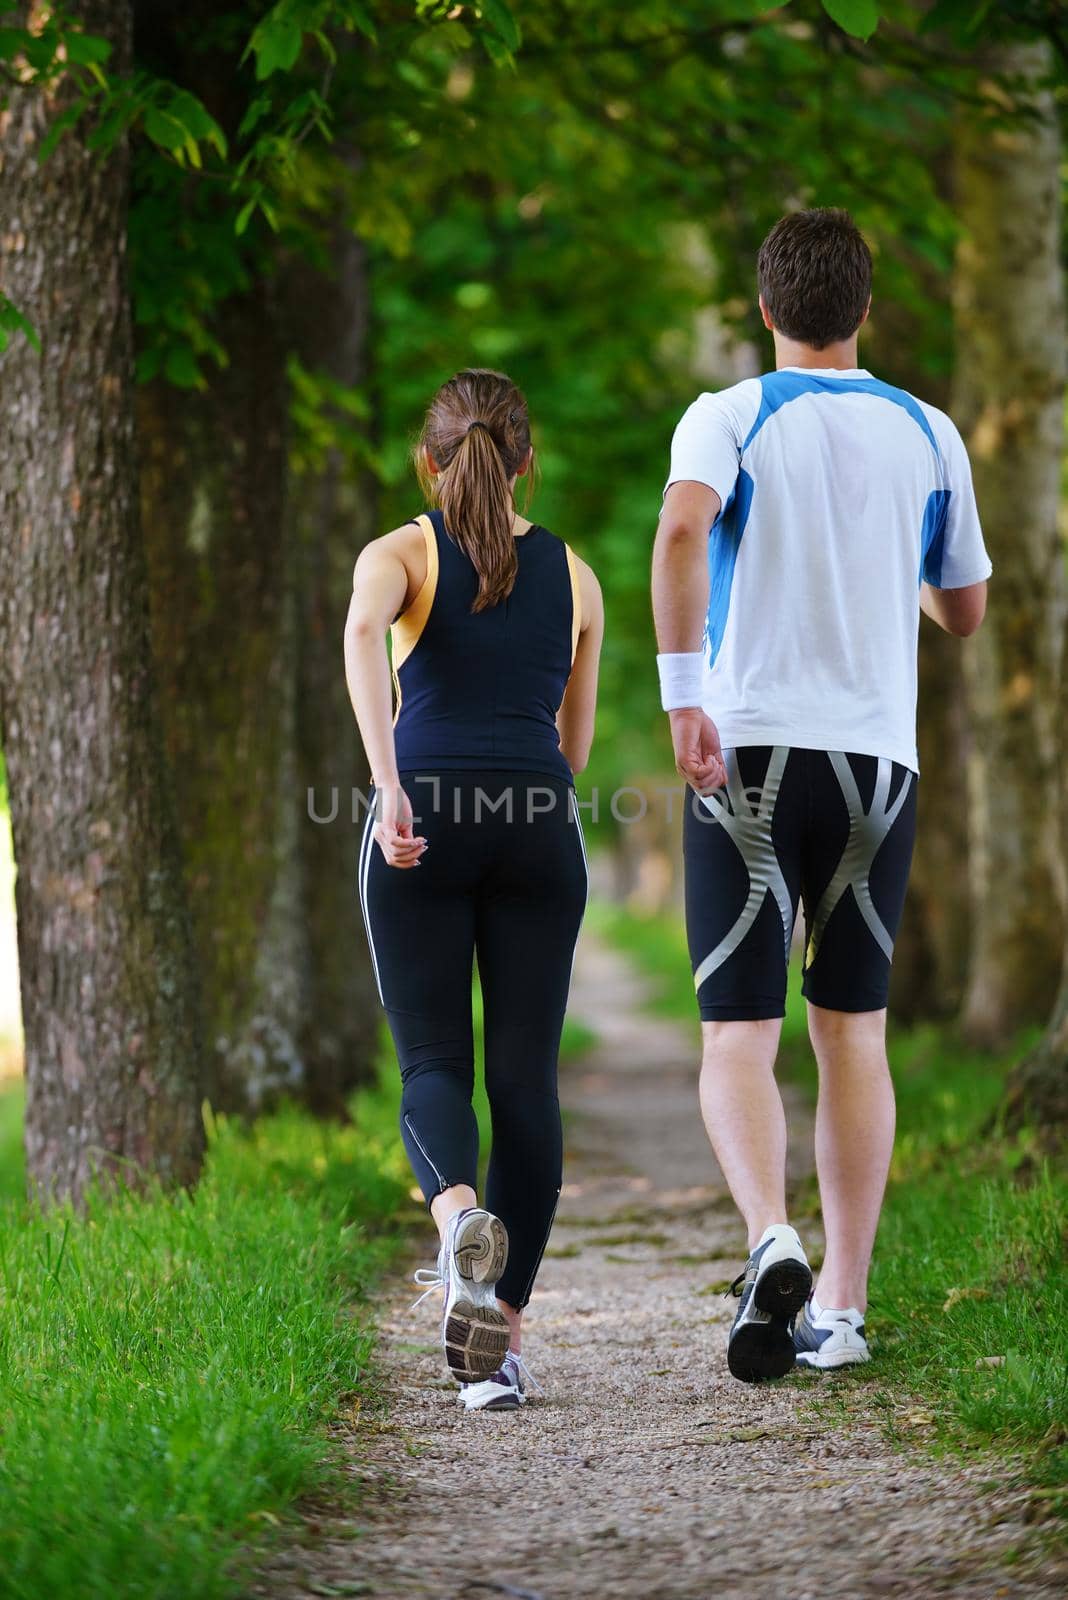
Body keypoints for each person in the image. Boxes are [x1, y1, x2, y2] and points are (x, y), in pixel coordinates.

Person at [651, 208, 991, 1383]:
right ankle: (840, 1310)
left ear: (764, 310)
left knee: (738, 1034)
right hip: (874, 765)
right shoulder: (931, 431)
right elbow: (966, 609)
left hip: (745, 753)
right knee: (854, 1034)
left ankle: (769, 1238)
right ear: (866, 308)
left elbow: (683, 526)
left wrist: (683, 692)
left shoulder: (730, 415)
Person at [345, 368, 603, 1411]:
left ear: (429, 459)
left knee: (434, 1064)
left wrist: (390, 785)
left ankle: (458, 1225)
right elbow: (572, 743)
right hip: (539, 824)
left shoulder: (399, 553)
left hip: (426, 823)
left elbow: (365, 635)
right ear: (526, 458)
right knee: (527, 1083)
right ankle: (499, 1339)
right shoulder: (578, 576)